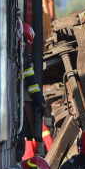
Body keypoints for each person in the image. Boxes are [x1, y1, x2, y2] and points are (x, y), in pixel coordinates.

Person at [18, 21, 52, 159]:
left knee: (20, 143)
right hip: (6, 108)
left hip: (15, 108)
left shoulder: (23, 57)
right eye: (24, 42)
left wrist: (39, 101)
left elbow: (31, 82)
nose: (25, 46)